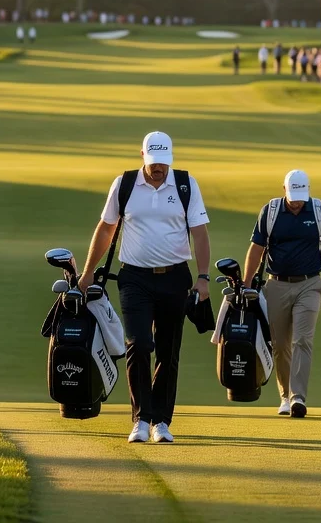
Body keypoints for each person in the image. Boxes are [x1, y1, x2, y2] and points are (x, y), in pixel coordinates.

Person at [77, 132, 211, 445]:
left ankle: (161, 422)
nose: (159, 169)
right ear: (142, 156)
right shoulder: (124, 185)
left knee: (168, 351)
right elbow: (107, 228)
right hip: (134, 277)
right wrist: (87, 273)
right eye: (153, 163)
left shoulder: (185, 185)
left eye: (164, 163)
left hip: (175, 277)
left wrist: (202, 277)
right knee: (138, 344)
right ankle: (141, 419)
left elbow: (200, 234)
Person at [243, 170, 321, 418]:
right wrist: (246, 284)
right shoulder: (271, 211)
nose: (297, 202)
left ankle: (298, 397)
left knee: (302, 340)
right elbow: (256, 249)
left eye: (301, 196)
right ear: (284, 189)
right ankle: (285, 396)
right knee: (280, 344)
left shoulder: (318, 211)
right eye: (293, 196)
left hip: (310, 284)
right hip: (276, 285)